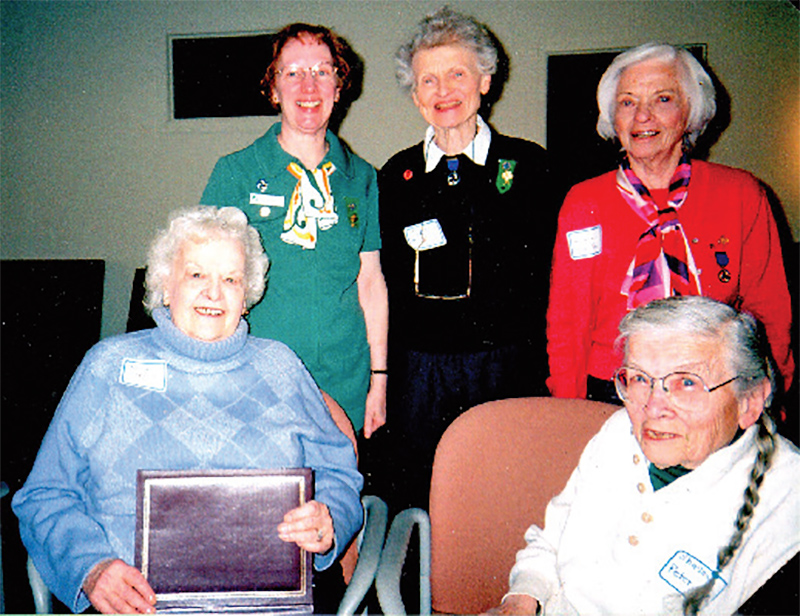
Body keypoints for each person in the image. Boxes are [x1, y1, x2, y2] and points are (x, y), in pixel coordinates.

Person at [12, 206, 363, 614]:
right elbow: (44, 495)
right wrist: (91, 568)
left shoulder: (280, 367)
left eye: (230, 279)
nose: (214, 294)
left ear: (247, 295)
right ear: (165, 285)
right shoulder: (108, 367)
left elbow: (339, 473)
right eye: (196, 275)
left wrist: (329, 519)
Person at [487, 295, 799, 615]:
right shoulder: (619, 432)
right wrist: (523, 596)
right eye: (639, 378)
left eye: (686, 383)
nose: (652, 408)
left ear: (749, 401)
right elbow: (550, 542)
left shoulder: (787, 499)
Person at [546, 42, 794, 405]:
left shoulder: (742, 194)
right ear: (612, 117)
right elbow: (568, 325)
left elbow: (770, 314)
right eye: (627, 102)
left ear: (690, 111)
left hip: (713, 388)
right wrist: (569, 412)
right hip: (615, 390)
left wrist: (768, 401)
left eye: (662, 99)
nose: (642, 116)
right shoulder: (585, 202)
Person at [377, 6, 554, 511]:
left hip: (505, 368)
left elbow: (550, 279)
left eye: (457, 73)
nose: (443, 91)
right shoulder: (395, 176)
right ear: (415, 96)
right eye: (427, 80)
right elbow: (386, 282)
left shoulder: (529, 166)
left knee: (505, 498)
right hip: (421, 375)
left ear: (485, 81)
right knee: (422, 498)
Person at [201, 23, 388, 438]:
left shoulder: (362, 179)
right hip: (256, 377)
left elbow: (371, 283)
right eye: (293, 73)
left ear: (339, 88)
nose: (309, 85)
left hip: (345, 380)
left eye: (323, 71)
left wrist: (379, 380)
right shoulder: (235, 173)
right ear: (273, 88)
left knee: (334, 496)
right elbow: (203, 281)